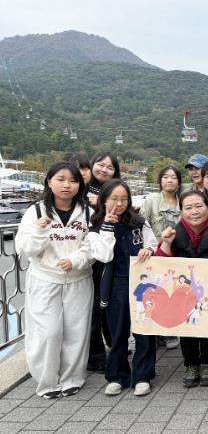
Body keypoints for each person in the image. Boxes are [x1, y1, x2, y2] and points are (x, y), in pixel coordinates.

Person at [15, 161, 115, 398]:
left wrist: (75, 260)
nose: (67, 185)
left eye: (73, 180)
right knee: (48, 332)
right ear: (49, 182)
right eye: (60, 179)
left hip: (78, 279)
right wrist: (40, 230)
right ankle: (47, 381)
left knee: (76, 332)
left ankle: (72, 378)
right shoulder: (36, 211)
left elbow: (91, 246)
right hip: (44, 279)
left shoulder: (87, 212)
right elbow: (25, 248)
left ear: (80, 185)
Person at [155, 190, 208, 387]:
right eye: (188, 207)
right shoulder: (173, 232)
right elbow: (161, 265)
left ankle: (207, 363)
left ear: (207, 207)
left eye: (199, 206)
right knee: (187, 329)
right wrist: (166, 244)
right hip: (183, 291)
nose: (194, 211)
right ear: (181, 211)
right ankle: (191, 364)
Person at [92, 179, 158, 397]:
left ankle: (143, 375)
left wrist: (149, 250)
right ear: (103, 200)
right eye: (114, 199)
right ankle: (117, 376)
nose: (119, 204)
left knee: (143, 331)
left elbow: (152, 243)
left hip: (141, 281)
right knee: (117, 331)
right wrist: (107, 226)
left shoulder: (138, 222)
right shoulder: (95, 226)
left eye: (124, 199)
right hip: (116, 283)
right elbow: (103, 255)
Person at [139, 165, 183, 352]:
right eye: (165, 177)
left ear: (179, 182)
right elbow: (140, 225)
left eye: (173, 177)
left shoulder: (184, 202)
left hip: (177, 254)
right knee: (154, 292)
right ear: (160, 180)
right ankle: (157, 333)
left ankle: (169, 331)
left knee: (172, 292)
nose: (169, 180)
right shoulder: (151, 201)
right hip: (155, 254)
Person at [87, 152, 121, 373]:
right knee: (94, 308)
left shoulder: (116, 190)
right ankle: (95, 357)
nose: (104, 170)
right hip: (89, 254)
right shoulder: (81, 190)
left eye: (110, 167)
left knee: (107, 302)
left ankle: (113, 344)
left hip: (111, 252)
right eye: (100, 165)